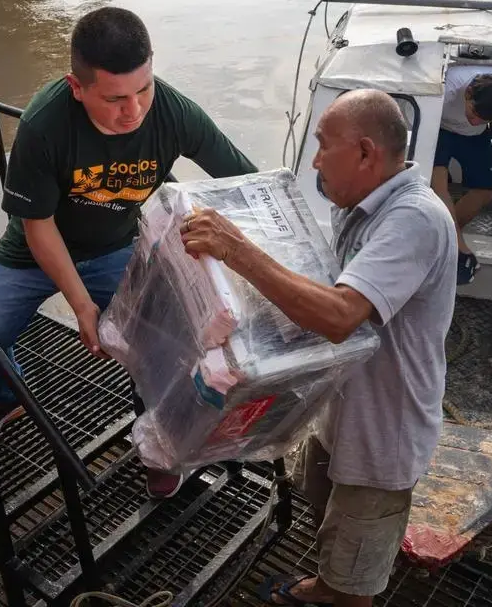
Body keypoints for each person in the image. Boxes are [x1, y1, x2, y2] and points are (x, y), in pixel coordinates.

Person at [0, 6, 257, 500]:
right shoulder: (44, 125)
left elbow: (244, 181)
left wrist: (269, 263)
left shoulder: (174, 113)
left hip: (120, 245)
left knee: (158, 347)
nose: (134, 110)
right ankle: (3, 398)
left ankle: (159, 445)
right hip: (36, 250)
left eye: (144, 89)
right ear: (77, 88)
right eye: (115, 98)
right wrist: (82, 306)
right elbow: (38, 226)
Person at [179, 89, 457, 607]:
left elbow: (338, 316)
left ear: (366, 153)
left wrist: (235, 247)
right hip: (344, 403)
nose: (315, 160)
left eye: (324, 146)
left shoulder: (413, 220)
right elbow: (324, 289)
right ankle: (325, 586)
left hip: (384, 427)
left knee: (359, 557)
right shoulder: (359, 206)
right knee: (329, 509)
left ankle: (341, 594)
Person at [431, 57, 492, 286]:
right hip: (439, 128)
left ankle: (445, 239)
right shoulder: (446, 88)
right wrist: (464, 249)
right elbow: (440, 189)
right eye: (473, 113)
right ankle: (455, 245)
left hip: (474, 139)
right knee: (439, 190)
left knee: (485, 191)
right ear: (468, 93)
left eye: (483, 119)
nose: (474, 120)